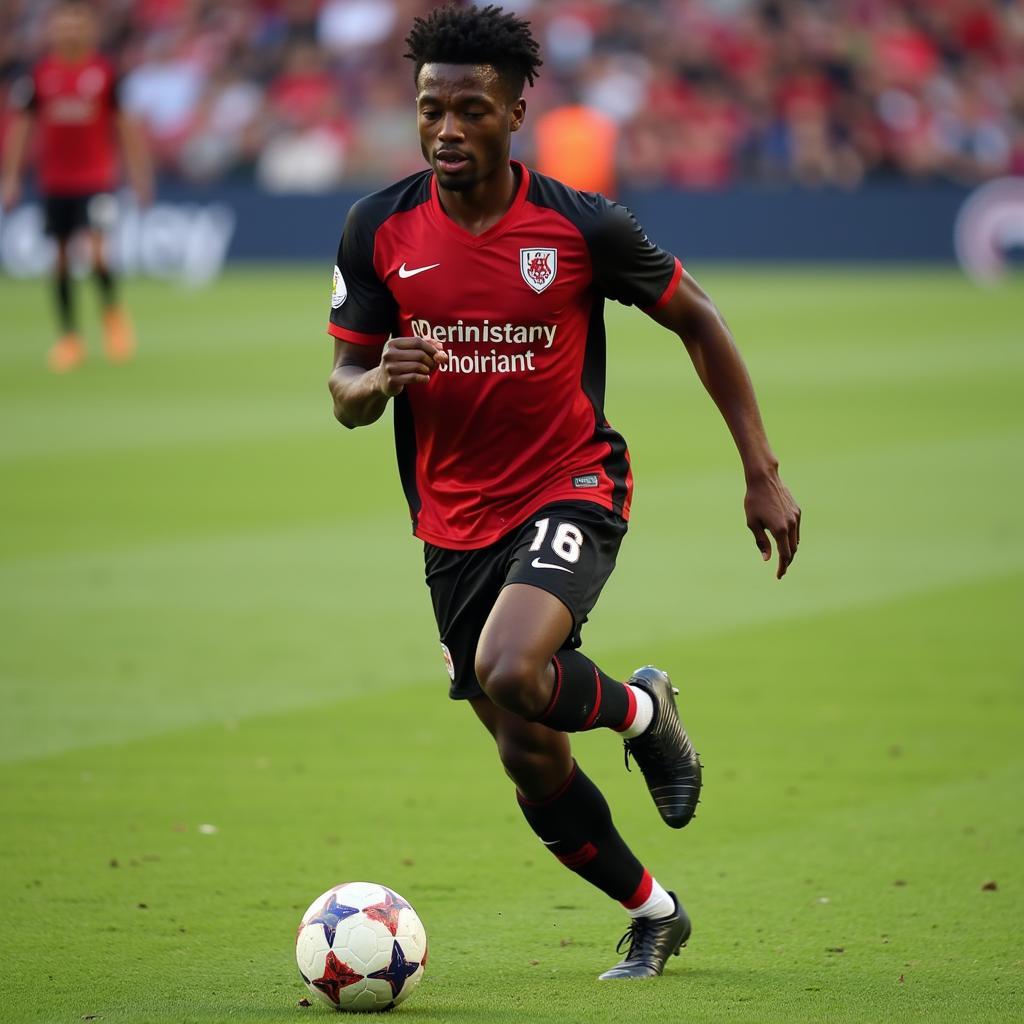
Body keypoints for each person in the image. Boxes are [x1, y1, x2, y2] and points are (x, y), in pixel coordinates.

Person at [326, 3, 800, 983]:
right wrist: (377, 380)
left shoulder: (579, 226)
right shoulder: (377, 228)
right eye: (430, 109)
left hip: (571, 483)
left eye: (469, 108)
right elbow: (342, 391)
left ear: (515, 112)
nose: (446, 128)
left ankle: (640, 713)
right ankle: (655, 912)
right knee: (528, 755)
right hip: (451, 521)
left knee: (509, 666)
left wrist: (761, 470)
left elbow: (699, 320)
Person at [1, 1, 152, 372]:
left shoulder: (105, 73)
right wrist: (12, 176)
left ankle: (113, 315)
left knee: (98, 253)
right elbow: (21, 129)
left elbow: (125, 128)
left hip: (97, 179)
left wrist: (139, 176)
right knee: (61, 259)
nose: (70, 31)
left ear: (89, 29)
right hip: (55, 181)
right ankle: (69, 337)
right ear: (53, 30)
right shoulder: (39, 75)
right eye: (63, 25)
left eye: (77, 24)